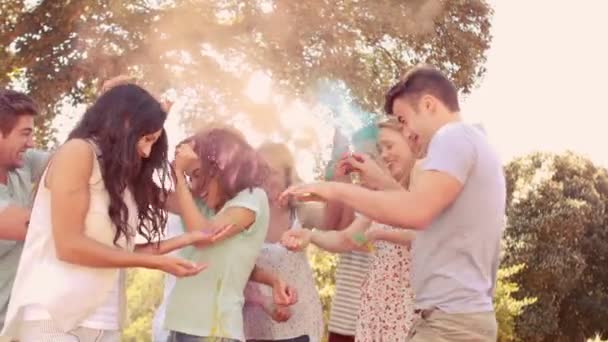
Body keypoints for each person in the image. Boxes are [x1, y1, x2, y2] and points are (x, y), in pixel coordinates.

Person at [281, 65, 505, 341]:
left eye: (404, 119)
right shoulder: (475, 142)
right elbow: (420, 209)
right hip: (452, 319)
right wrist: (374, 182)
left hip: (449, 323)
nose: (407, 131)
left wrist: (335, 190)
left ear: (428, 104)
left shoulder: (451, 137)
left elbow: (416, 213)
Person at [1, 84, 211, 342]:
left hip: (106, 321)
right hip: (53, 318)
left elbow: (112, 252)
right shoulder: (77, 152)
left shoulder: (119, 177)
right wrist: (157, 262)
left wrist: (180, 241)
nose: (146, 151)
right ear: (124, 122)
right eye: (146, 139)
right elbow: (69, 245)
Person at [281, 119, 417, 341]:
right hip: (374, 317)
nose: (384, 155)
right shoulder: (378, 204)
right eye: (380, 149)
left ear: (411, 143)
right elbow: (348, 239)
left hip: (406, 318)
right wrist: (311, 236)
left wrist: (379, 234)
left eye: (389, 146)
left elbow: (426, 235)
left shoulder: (424, 195)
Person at [164, 128, 278, 342]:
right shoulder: (203, 206)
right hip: (181, 327)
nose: (194, 186)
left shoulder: (252, 198)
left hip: (215, 331)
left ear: (223, 166)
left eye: (197, 174)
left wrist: (179, 175)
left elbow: (202, 236)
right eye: (190, 178)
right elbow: (148, 194)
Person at [243, 142, 323, 342]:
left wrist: (334, 186)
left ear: (287, 175)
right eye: (261, 171)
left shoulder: (300, 211)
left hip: (301, 324)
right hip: (257, 325)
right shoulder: (243, 214)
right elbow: (235, 269)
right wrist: (265, 301)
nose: (266, 178)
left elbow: (340, 223)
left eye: (273, 172)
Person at [0, 90, 49, 333]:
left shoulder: (21, 166)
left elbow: (76, 160)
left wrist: (104, 116)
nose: (31, 143)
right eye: (25, 134)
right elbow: (38, 226)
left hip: (15, 327)